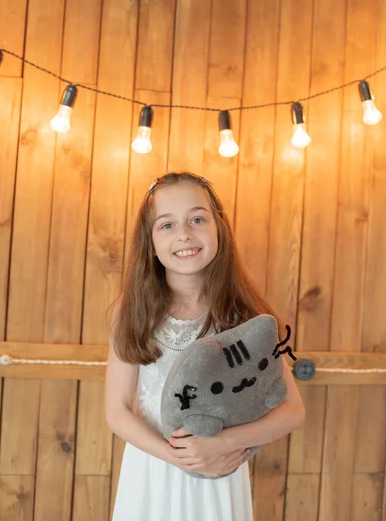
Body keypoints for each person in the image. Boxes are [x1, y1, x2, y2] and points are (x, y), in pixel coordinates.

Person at [106, 171, 305, 521]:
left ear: (219, 229)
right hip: (153, 470)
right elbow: (118, 411)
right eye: (166, 225)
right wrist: (179, 456)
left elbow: (292, 410)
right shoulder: (132, 308)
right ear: (149, 240)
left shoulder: (243, 313)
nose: (184, 234)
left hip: (219, 474)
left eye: (197, 219)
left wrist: (221, 446)